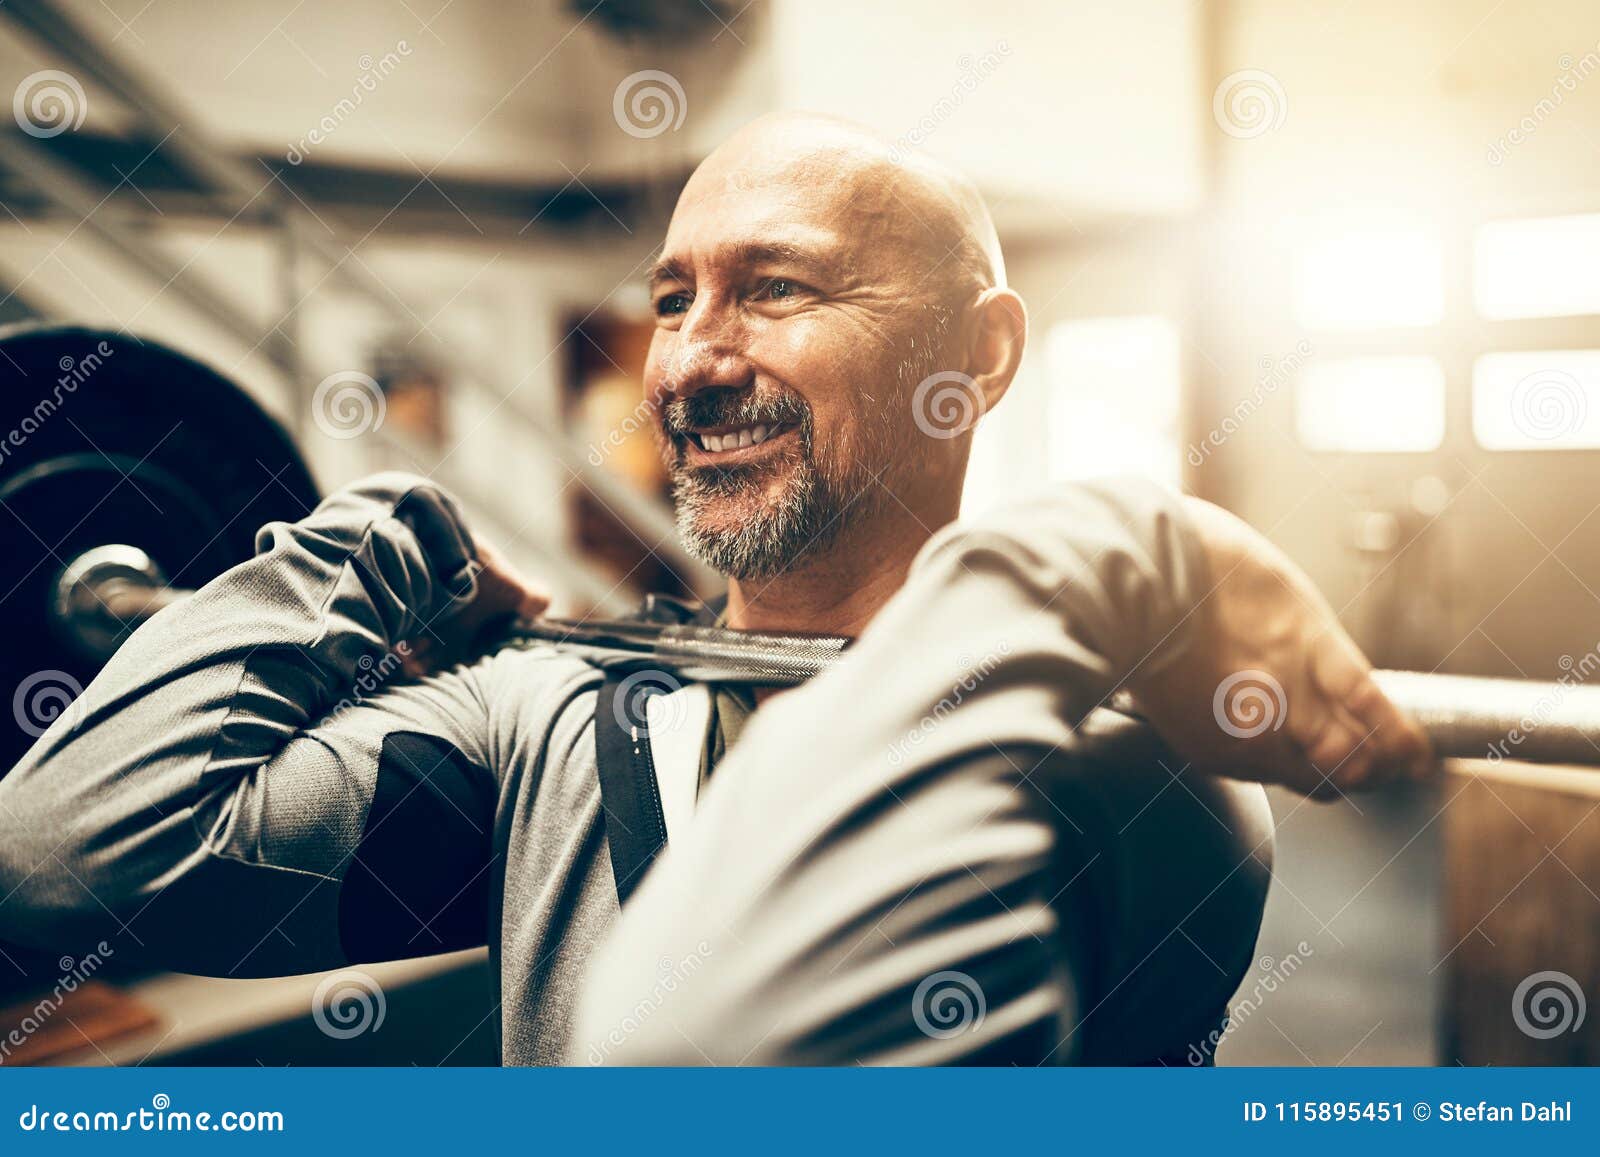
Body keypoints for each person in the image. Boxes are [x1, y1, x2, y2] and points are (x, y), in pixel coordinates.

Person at [0, 114, 1432, 1066]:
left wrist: (1079, 548)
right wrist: (373, 548)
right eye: (674, 296)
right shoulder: (548, 717)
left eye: (779, 289)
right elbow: (63, 853)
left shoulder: (1119, 767)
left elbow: (714, 1067)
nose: (688, 360)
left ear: (981, 358)